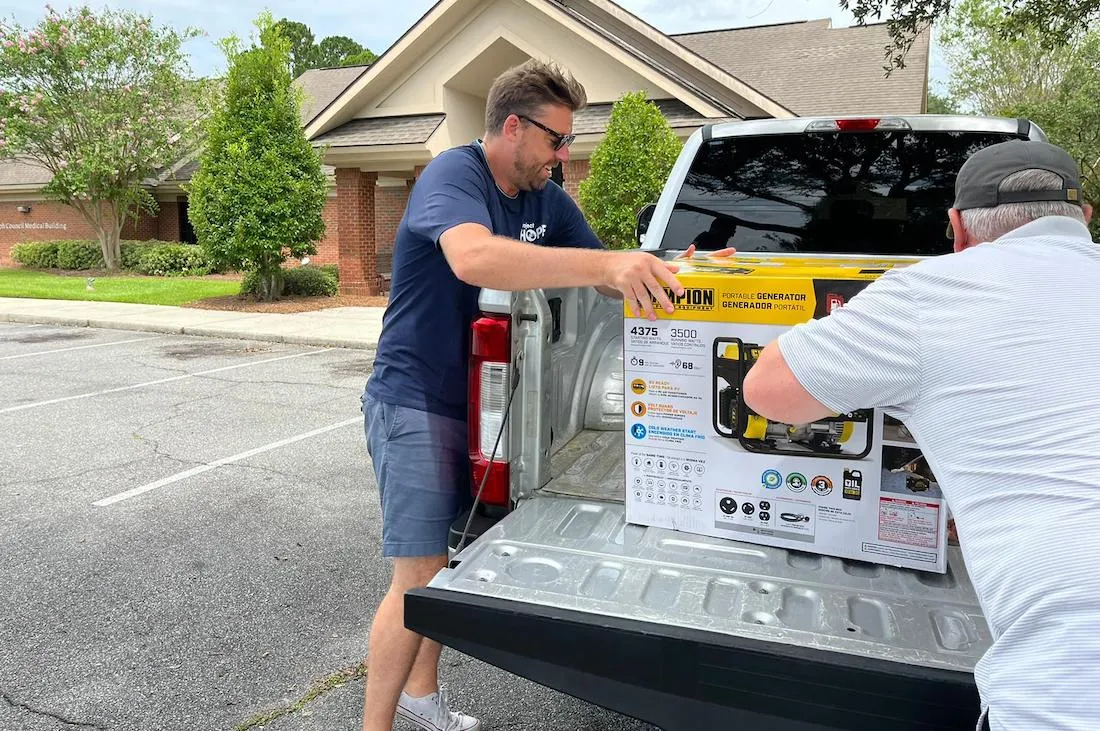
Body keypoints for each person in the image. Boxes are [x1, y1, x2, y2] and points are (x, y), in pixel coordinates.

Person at [359, 59, 698, 731]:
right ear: (512, 127)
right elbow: (474, 259)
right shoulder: (456, 175)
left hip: (484, 408)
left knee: (447, 567)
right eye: (554, 139)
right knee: (417, 574)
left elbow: (602, 275)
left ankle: (421, 699)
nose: (562, 155)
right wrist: (607, 265)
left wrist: (676, 274)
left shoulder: (545, 196)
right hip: (416, 400)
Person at [741, 139, 1099, 731]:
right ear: (1083, 219)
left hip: (1070, 683)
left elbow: (763, 390)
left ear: (956, 228)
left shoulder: (928, 296)